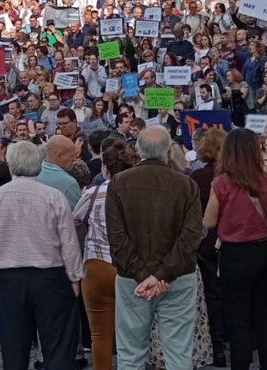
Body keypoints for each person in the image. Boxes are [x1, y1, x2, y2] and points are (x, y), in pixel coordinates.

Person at [0, 141, 83, 370]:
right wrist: (75, 276)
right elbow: (69, 242)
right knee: (58, 347)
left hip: (10, 278)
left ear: (11, 166)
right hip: (51, 277)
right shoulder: (54, 196)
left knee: (14, 349)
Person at [106, 126, 203, 370]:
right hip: (177, 277)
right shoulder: (186, 185)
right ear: (169, 151)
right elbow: (190, 238)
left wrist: (146, 276)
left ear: (137, 149)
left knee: (130, 354)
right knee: (179, 352)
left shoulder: (118, 183)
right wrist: (160, 275)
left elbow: (116, 238)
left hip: (133, 279)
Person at [202, 129, 267, 370]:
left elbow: (208, 222)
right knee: (264, 319)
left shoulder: (221, 183)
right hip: (264, 253)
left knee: (239, 323)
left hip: (235, 256)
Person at [73, 139, 136, 370]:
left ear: (105, 168)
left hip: (97, 265)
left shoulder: (93, 193)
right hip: (131, 266)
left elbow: (75, 220)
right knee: (134, 331)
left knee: (99, 334)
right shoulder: (136, 193)